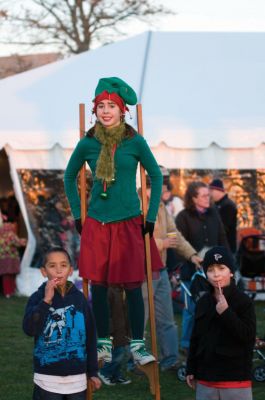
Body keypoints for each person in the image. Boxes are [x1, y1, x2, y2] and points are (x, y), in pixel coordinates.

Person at [64, 77, 163, 365]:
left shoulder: (135, 142)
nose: (106, 111)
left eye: (112, 106)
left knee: (133, 284)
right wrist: (78, 214)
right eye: (101, 106)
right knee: (99, 283)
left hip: (130, 220)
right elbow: (69, 177)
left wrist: (152, 216)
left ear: (123, 111)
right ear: (95, 111)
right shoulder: (88, 143)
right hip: (98, 220)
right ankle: (104, 342)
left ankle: (137, 344)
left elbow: (155, 177)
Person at [23, 247, 101, 399]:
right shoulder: (37, 298)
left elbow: (91, 337)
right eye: (52, 266)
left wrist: (92, 372)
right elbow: (29, 329)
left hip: (77, 381)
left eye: (63, 265)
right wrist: (46, 301)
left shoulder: (79, 300)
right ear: (43, 272)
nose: (58, 271)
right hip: (47, 380)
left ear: (71, 270)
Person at [142, 182, 202, 371]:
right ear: (146, 187)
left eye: (166, 189)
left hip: (160, 270)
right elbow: (135, 238)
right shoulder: (134, 205)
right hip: (140, 272)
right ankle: (135, 361)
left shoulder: (159, 207)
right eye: (161, 188)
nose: (165, 193)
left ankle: (170, 359)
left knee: (166, 319)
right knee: (139, 320)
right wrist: (162, 243)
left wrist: (191, 254)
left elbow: (175, 235)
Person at [186, 246, 256, 400]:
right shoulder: (203, 302)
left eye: (221, 268)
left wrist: (226, 313)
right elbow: (195, 338)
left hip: (235, 380)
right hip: (205, 379)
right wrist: (191, 368)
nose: (216, 274)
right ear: (205, 274)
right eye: (211, 270)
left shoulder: (244, 302)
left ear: (231, 271)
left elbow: (248, 336)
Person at [175, 181, 229, 353]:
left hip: (215, 271)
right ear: (193, 198)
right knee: (191, 310)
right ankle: (186, 345)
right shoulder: (183, 217)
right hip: (191, 273)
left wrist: (229, 263)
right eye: (204, 195)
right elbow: (178, 245)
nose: (209, 197)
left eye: (208, 194)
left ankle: (212, 342)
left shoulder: (214, 213)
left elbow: (222, 238)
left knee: (217, 308)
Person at [98, 286, 131, 385]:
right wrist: (109, 329)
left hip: (122, 329)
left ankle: (116, 374)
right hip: (113, 331)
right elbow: (105, 313)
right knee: (117, 353)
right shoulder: (109, 291)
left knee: (120, 353)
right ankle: (105, 372)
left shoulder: (123, 290)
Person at [209, 178, 238, 254]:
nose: (210, 194)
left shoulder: (228, 205)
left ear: (218, 190)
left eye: (211, 191)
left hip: (227, 248)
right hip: (219, 247)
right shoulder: (217, 205)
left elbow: (223, 227)